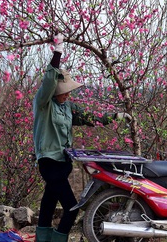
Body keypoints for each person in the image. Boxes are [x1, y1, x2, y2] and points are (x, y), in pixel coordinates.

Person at [33, 33, 131, 242]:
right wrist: (58, 51)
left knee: (49, 203)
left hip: (64, 162)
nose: (68, 94)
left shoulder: (68, 107)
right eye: (64, 91)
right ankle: (59, 239)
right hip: (49, 162)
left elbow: (90, 118)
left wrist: (115, 116)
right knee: (71, 206)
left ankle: (43, 239)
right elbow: (49, 79)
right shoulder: (44, 105)